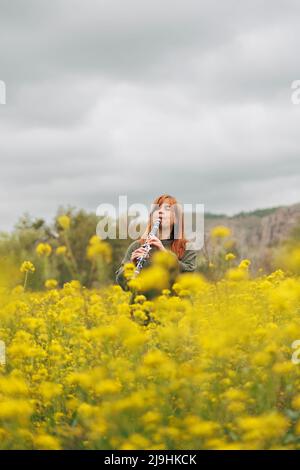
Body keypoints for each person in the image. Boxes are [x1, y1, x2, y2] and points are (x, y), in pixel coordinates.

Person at [115, 194, 198, 291]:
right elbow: (123, 284)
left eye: (167, 208)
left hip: (174, 304)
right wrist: (131, 265)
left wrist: (165, 253)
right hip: (141, 305)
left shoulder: (186, 247)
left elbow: (188, 276)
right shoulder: (137, 246)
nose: (161, 211)